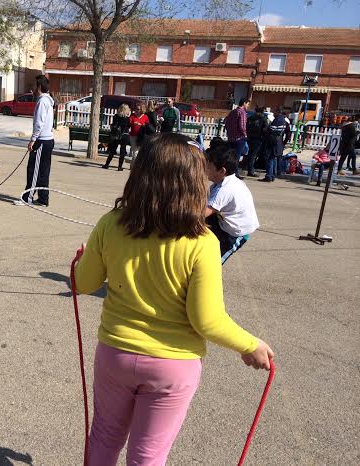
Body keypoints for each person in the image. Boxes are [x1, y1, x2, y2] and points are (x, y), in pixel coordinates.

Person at [73, 133, 274, 466]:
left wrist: (83, 259)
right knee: (147, 456)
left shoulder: (111, 224)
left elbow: (84, 282)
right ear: (195, 185)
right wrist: (249, 344)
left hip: (116, 354)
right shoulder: (203, 242)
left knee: (105, 437)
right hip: (173, 366)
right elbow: (206, 319)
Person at [205, 140, 259, 263]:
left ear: (222, 171)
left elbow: (201, 213)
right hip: (223, 220)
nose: (205, 169)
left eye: (209, 167)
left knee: (214, 263)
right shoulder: (222, 183)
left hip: (236, 232)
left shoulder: (225, 189)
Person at [17, 75, 54, 207]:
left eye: (34, 85)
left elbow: (39, 123)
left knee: (33, 170)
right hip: (48, 140)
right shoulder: (48, 101)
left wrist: (33, 140)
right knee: (43, 171)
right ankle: (43, 199)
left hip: (41, 141)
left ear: (39, 86)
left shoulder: (42, 101)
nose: (32, 88)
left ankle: (28, 198)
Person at [260, 108, 291, 183]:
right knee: (274, 159)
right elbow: (287, 133)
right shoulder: (284, 121)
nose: (273, 113)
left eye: (274, 112)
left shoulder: (277, 120)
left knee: (270, 158)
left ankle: (269, 176)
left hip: (273, 142)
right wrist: (284, 142)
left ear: (278, 112)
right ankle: (273, 175)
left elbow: (271, 129)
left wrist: (266, 129)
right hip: (279, 142)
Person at [224, 98, 250, 179]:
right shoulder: (242, 113)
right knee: (237, 156)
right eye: (248, 104)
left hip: (231, 138)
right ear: (244, 103)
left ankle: (229, 172)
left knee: (231, 156)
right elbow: (242, 126)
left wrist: (229, 133)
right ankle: (235, 173)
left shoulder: (232, 112)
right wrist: (245, 135)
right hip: (239, 138)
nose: (248, 106)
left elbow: (226, 122)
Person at [103, 103, 130, 171]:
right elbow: (128, 126)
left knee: (113, 149)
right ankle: (120, 166)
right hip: (124, 135)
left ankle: (107, 164)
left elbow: (114, 125)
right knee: (122, 151)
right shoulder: (127, 118)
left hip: (116, 135)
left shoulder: (116, 116)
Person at [245, 106, 268, 177]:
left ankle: (248, 167)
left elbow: (246, 127)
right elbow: (265, 130)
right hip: (258, 139)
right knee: (253, 155)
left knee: (250, 154)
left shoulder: (250, 118)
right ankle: (250, 170)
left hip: (249, 138)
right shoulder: (262, 119)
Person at [128, 103, 149, 169]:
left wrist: (142, 124)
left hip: (141, 136)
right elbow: (129, 123)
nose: (136, 110)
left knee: (139, 151)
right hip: (133, 136)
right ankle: (134, 167)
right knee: (135, 151)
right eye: (136, 109)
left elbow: (148, 126)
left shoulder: (145, 117)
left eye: (138, 109)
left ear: (142, 110)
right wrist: (132, 122)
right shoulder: (132, 116)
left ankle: (132, 165)